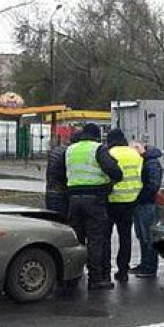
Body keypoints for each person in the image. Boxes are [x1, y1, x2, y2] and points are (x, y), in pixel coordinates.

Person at [59, 123, 122, 290]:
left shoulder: (70, 150)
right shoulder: (97, 148)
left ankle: (73, 276)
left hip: (73, 199)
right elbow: (112, 169)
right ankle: (95, 278)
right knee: (95, 239)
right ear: (96, 135)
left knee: (77, 239)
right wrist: (114, 179)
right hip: (94, 199)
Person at [105, 129, 143, 282]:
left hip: (111, 201)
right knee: (125, 237)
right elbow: (140, 175)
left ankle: (105, 270)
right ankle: (123, 270)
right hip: (130, 200)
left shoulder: (108, 153)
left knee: (105, 238)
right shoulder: (135, 154)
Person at [130, 141, 163, 278]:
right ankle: (145, 264)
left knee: (148, 236)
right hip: (141, 203)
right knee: (142, 235)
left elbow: (153, 185)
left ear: (139, 148)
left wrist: (141, 196)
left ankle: (149, 266)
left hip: (147, 204)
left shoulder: (151, 163)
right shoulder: (146, 161)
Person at [44, 131, 80, 221]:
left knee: (55, 222)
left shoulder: (57, 150)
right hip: (62, 194)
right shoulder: (69, 153)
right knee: (64, 223)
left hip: (51, 192)